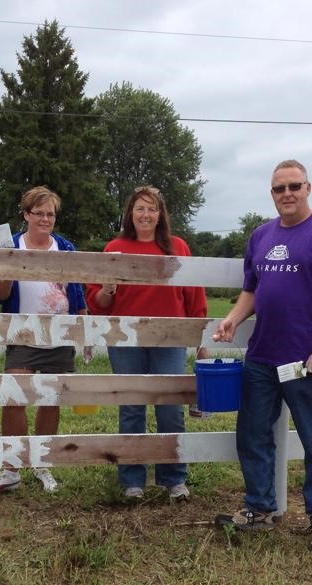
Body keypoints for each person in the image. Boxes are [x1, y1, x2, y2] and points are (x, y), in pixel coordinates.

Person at [212, 160, 312, 554]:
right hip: (262, 356)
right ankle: (260, 507)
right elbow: (252, 289)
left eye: (294, 186)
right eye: (279, 189)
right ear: (271, 193)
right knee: (253, 433)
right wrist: (232, 319)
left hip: (306, 360)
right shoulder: (261, 236)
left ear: (308, 187)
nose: (287, 194)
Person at [86, 186, 208, 501]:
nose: (145, 215)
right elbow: (98, 303)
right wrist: (109, 289)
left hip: (170, 338)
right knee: (131, 408)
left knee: (170, 408)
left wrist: (201, 342)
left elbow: (195, 297)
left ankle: (174, 478)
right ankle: (132, 481)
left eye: (152, 209)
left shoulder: (177, 247)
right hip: (126, 340)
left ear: (160, 214)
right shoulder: (115, 247)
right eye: (140, 208)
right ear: (130, 213)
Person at [0, 186, 87, 496]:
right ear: (26, 214)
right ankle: (11, 469)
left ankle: (42, 463)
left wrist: (85, 328)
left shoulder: (65, 247)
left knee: (51, 401)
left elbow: (76, 293)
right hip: (22, 336)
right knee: (15, 398)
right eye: (38, 213)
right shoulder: (9, 245)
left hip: (60, 336)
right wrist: (10, 272)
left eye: (50, 213)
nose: (45, 218)